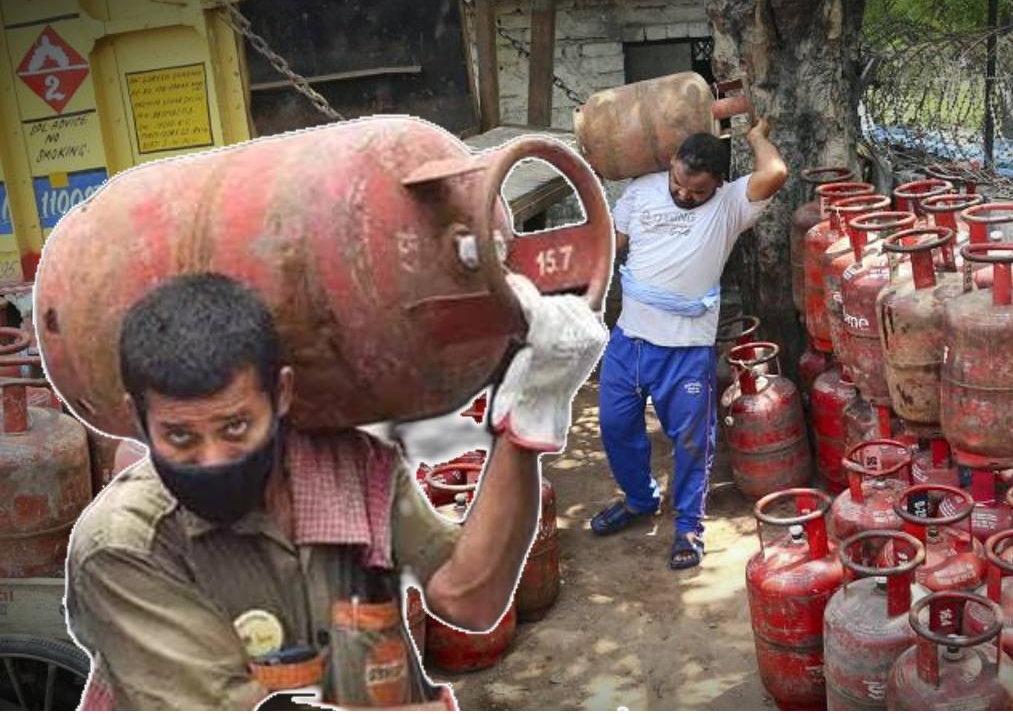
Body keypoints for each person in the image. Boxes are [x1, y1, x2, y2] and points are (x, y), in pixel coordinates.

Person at [64, 272, 605, 709]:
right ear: (139, 420)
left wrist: (532, 416)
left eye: (235, 428)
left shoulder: (348, 469)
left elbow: (471, 598)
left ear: (281, 394)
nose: (212, 460)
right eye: (179, 437)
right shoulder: (124, 544)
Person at [590, 118, 787, 569]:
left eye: (696, 191)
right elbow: (612, 245)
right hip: (631, 339)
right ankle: (640, 500)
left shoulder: (731, 205)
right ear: (671, 167)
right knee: (615, 426)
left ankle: (688, 527)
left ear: (719, 184)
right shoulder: (642, 190)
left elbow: (775, 172)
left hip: (687, 348)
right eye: (678, 183)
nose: (683, 195)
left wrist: (755, 136)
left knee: (692, 442)